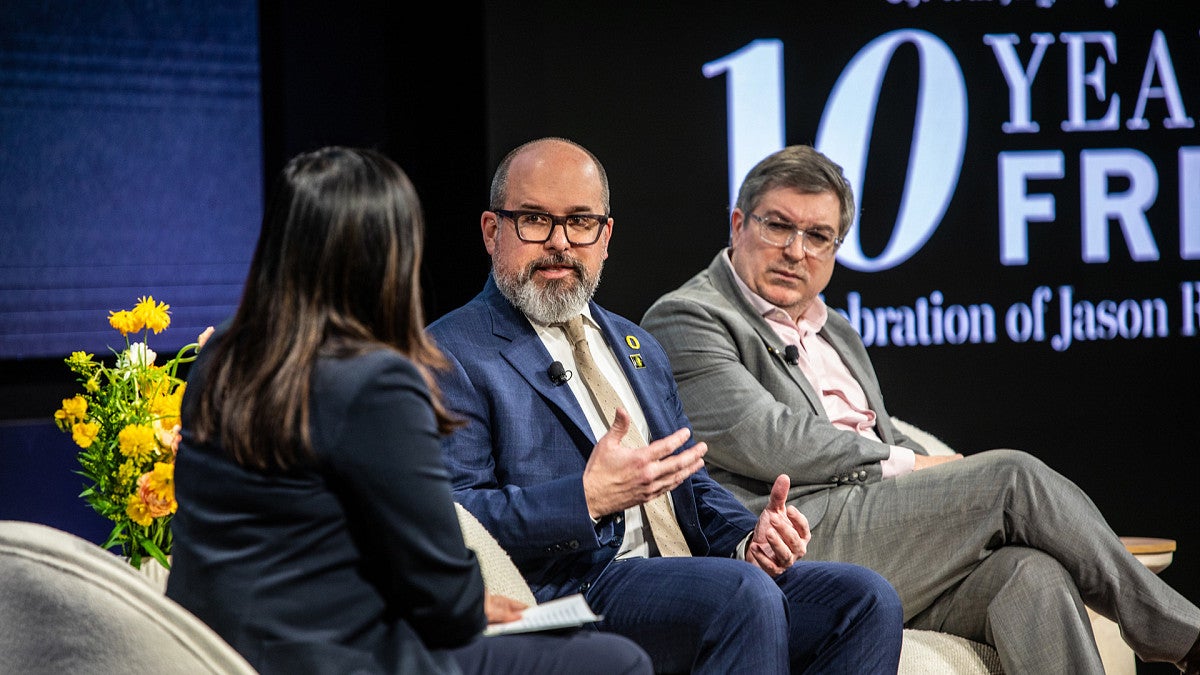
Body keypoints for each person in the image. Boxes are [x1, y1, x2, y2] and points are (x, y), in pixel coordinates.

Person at [640, 144, 1200, 673]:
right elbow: (768, 436)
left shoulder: (834, 328)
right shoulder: (688, 317)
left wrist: (935, 471)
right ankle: (1185, 639)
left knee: (1030, 574)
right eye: (778, 226)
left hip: (880, 528)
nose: (796, 251)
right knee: (1011, 477)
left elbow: (877, 431)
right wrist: (914, 465)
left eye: (819, 236)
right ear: (738, 224)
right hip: (791, 534)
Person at [167, 146, 653, 674]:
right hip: (344, 659)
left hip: (215, 652)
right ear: (390, 255)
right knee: (616, 660)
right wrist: (466, 603)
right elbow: (438, 589)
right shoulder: (377, 382)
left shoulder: (220, 357)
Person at [426, 137, 904, 674]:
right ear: (493, 230)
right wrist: (584, 499)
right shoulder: (452, 352)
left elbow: (689, 483)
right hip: (578, 584)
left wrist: (749, 538)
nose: (560, 242)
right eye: (535, 220)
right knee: (740, 595)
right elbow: (454, 515)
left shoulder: (636, 346)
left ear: (605, 237)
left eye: (580, 222)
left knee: (864, 600)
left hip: (686, 574)